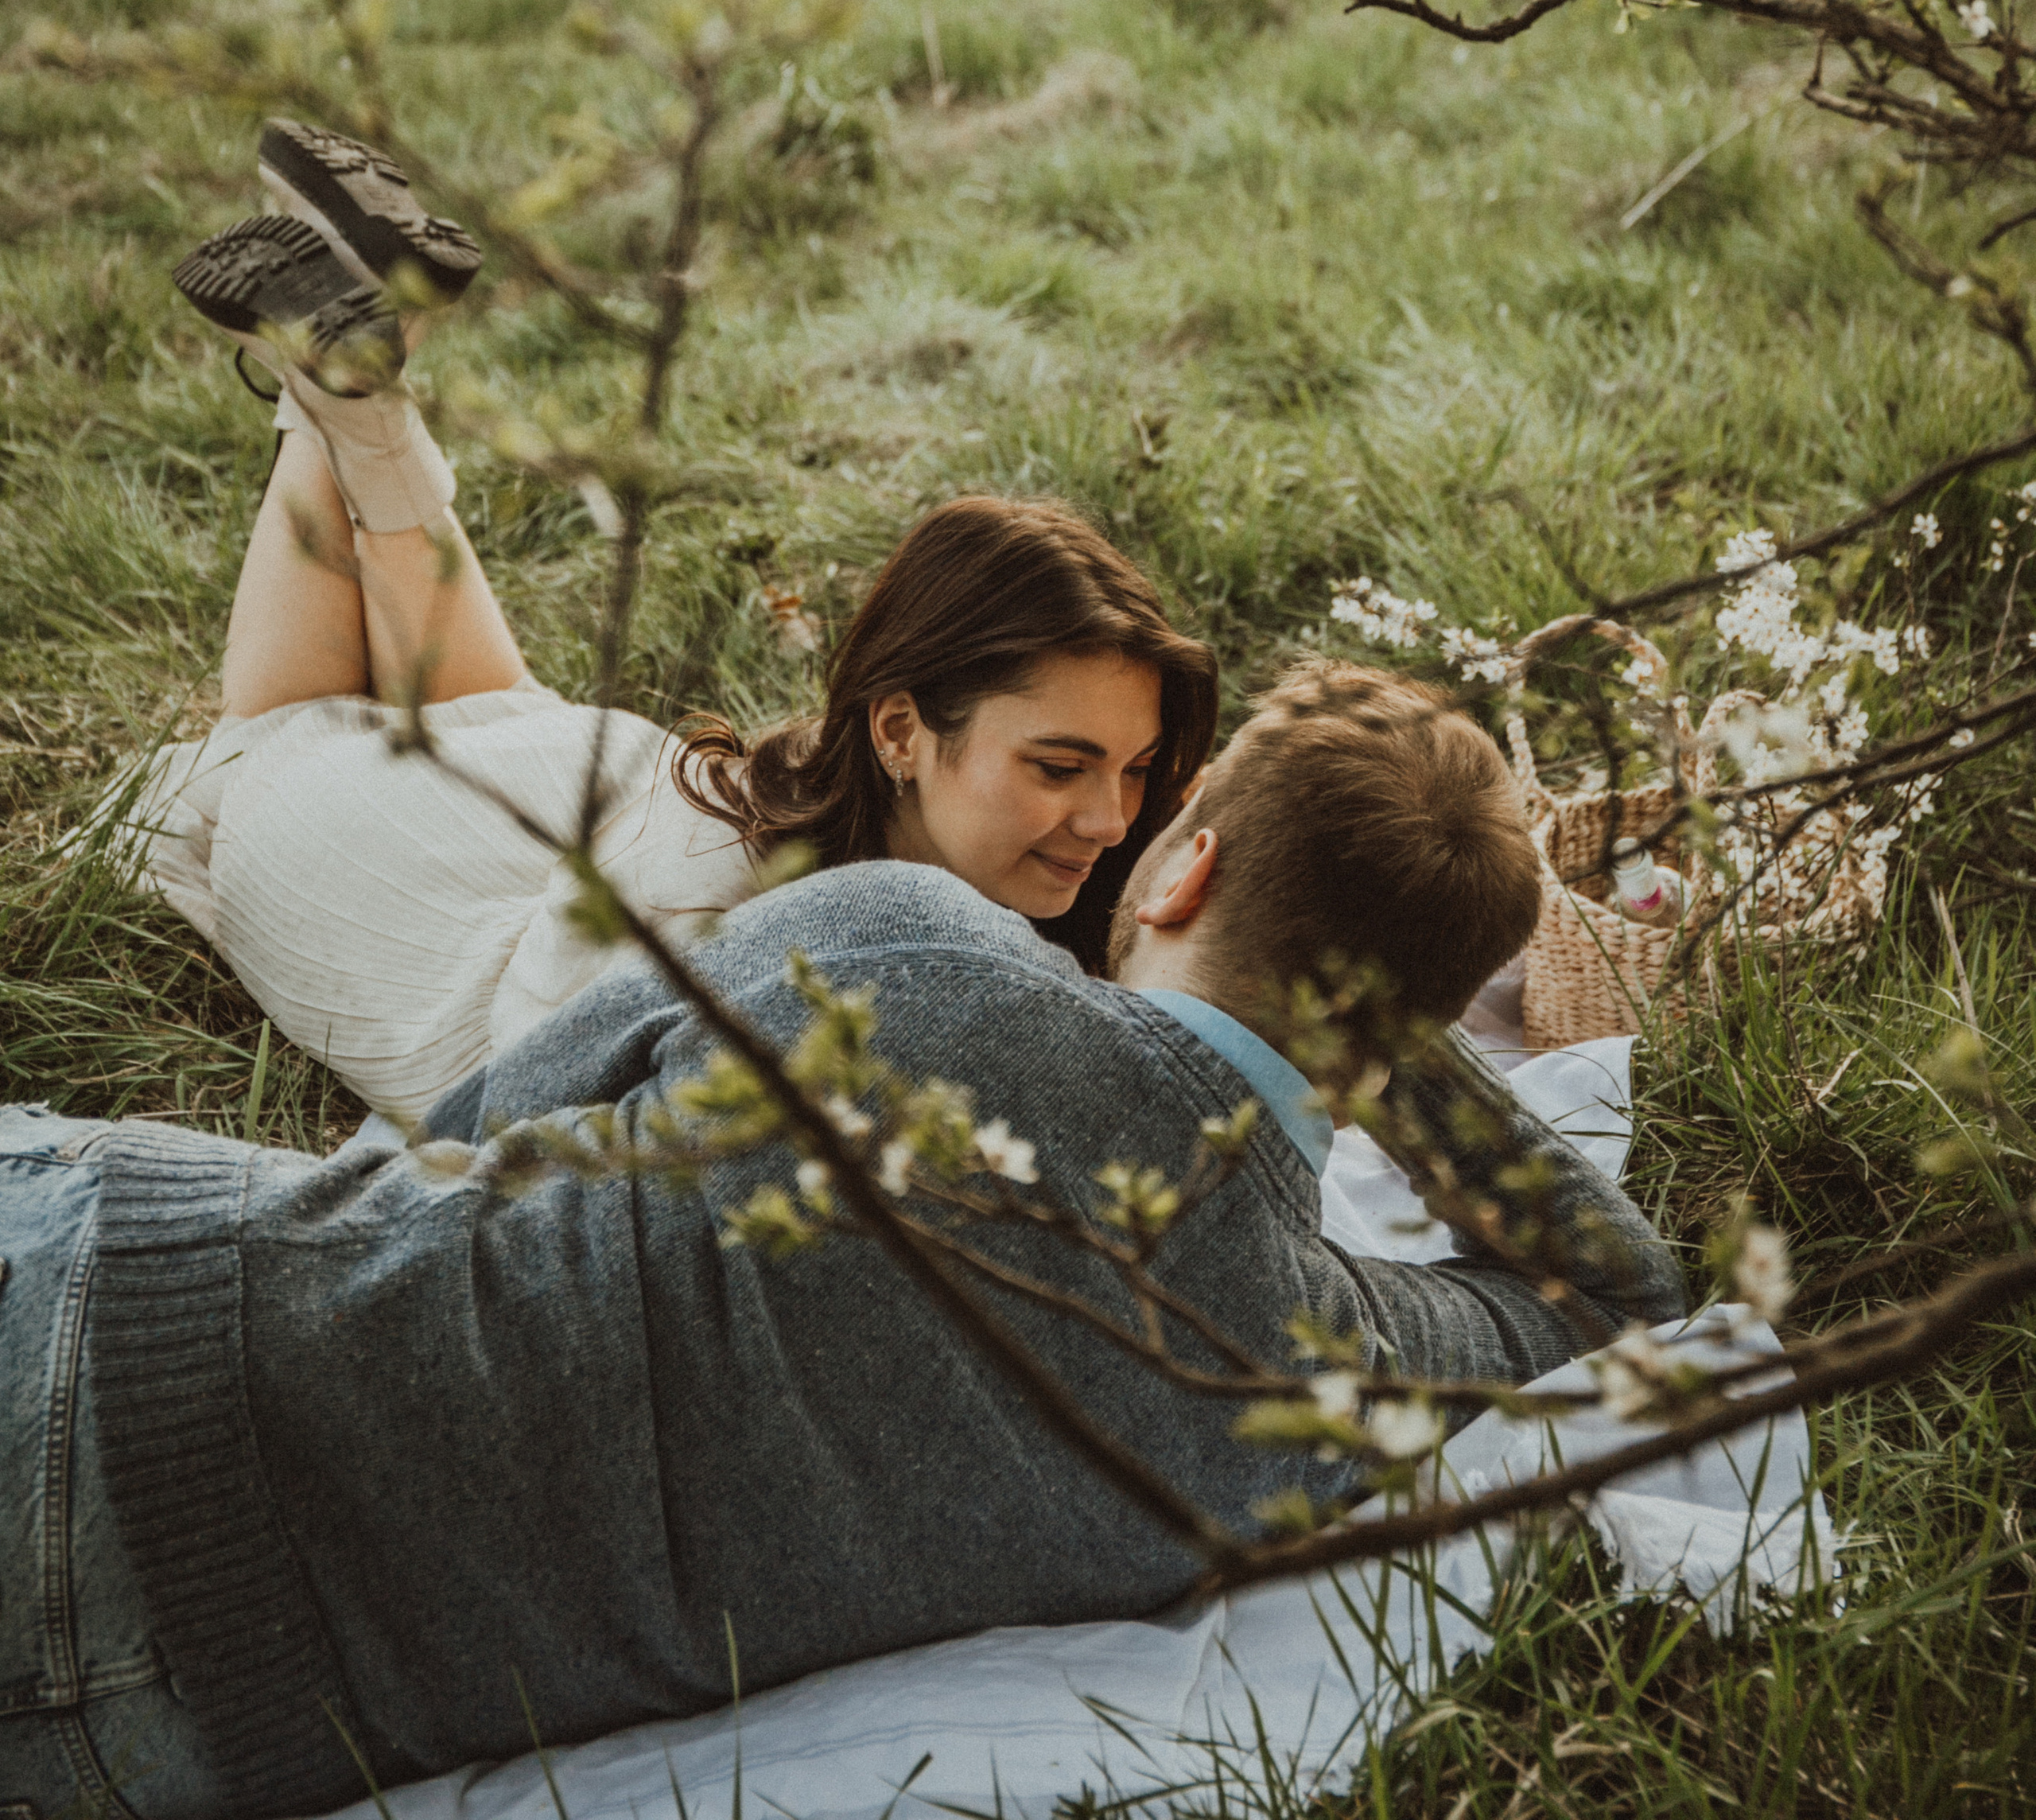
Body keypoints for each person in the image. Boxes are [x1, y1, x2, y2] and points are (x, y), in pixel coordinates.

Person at [2, 640, 1685, 1820]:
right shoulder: (1312, 1376)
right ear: (1398, 1027)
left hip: (119, 1313)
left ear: (1174, 872)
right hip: (184, 1725)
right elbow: (1609, 1283)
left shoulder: (905, 936)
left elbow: (446, 1146)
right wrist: (1370, 1018)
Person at [143, 122, 1218, 1114]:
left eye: (1134, 768)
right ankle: (344, 384)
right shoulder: (715, 908)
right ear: (899, 730)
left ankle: (349, 379)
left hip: (558, 807)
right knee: (269, 741)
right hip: (367, 884)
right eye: (1060, 766)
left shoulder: (853, 830)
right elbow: (529, 1108)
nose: (1113, 820)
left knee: (490, 713)